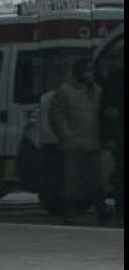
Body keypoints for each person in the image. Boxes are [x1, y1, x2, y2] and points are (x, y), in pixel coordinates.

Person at [50, 59, 109, 225]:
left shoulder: (97, 91)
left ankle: (102, 211)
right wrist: (67, 134)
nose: (89, 74)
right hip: (73, 144)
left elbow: (101, 116)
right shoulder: (65, 90)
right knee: (72, 181)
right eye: (86, 71)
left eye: (91, 71)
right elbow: (56, 115)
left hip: (93, 142)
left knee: (97, 180)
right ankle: (69, 214)